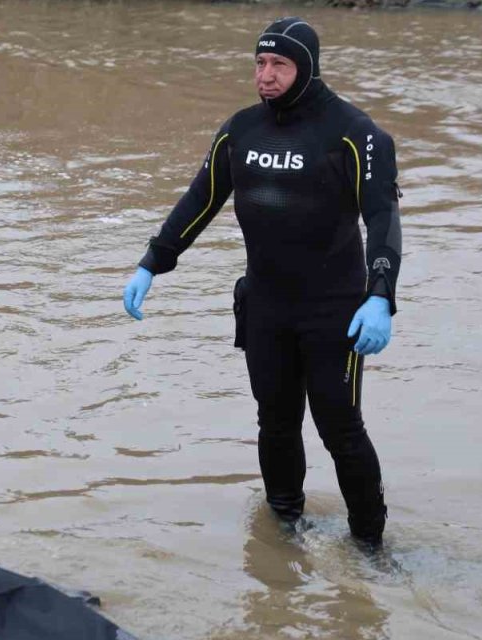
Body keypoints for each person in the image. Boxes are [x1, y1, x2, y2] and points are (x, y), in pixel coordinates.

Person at [121, 18, 402, 548]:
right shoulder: (242, 129)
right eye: (260, 63)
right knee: (274, 423)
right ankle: (282, 532)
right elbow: (201, 200)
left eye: (279, 64)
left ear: (307, 67)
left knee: (339, 430)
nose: (266, 75)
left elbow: (383, 218)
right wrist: (152, 262)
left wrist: (381, 296)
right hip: (267, 306)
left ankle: (369, 546)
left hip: (333, 311)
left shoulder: (355, 134)